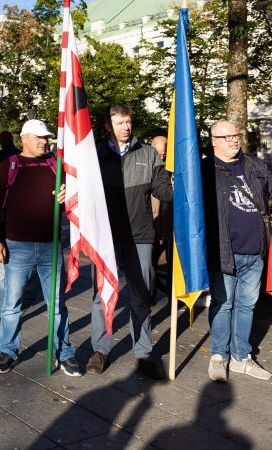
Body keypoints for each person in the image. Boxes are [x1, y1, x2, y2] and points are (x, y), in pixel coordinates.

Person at [0, 119, 80, 376]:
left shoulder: (56, 165)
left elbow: (74, 199)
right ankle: (8, 350)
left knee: (57, 303)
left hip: (51, 246)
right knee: (11, 303)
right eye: (39, 137)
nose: (44, 141)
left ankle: (65, 351)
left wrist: (68, 194)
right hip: (17, 247)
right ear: (24, 138)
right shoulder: (10, 166)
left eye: (47, 137)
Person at [91, 105, 172, 380]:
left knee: (140, 296)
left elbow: (161, 187)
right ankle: (100, 350)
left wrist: (178, 188)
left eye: (128, 121)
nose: (126, 127)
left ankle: (143, 353)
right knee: (102, 296)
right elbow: (82, 189)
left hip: (139, 235)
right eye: (119, 122)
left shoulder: (147, 153)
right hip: (105, 237)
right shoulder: (95, 156)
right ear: (107, 126)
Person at [202, 120, 272, 382]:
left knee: (246, 305)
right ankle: (218, 355)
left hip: (255, 251)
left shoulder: (254, 164)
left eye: (236, 135)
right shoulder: (203, 169)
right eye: (228, 137)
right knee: (223, 305)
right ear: (214, 140)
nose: (234, 140)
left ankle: (240, 358)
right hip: (222, 251)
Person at [149, 135, 172, 299]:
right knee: (150, 263)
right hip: (152, 225)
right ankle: (149, 295)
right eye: (159, 154)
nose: (162, 157)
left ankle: (172, 295)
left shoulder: (173, 169)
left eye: (164, 154)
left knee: (172, 263)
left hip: (170, 224)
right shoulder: (147, 168)